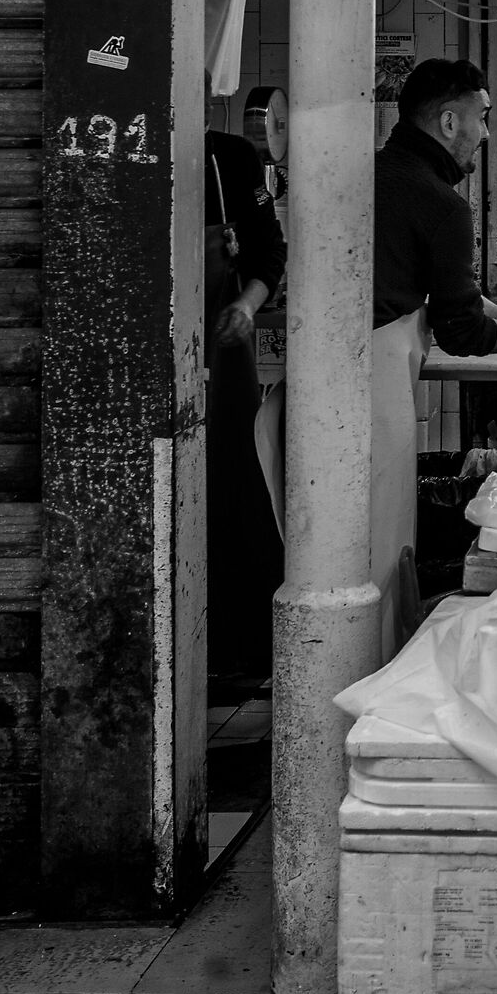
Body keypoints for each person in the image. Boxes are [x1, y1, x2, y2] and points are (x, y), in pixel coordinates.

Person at [373, 60, 497, 652]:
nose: (489, 134)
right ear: (447, 120)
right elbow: (461, 330)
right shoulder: (439, 202)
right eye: (482, 119)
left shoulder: (375, 173)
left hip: (328, 391)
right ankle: (375, 669)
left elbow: (449, 295)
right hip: (373, 398)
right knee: (378, 553)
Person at [204, 126, 285, 684]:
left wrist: (247, 304)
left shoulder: (228, 156)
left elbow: (268, 250)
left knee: (231, 479)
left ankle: (240, 653)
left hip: (218, 338)